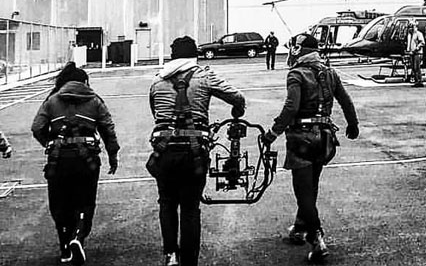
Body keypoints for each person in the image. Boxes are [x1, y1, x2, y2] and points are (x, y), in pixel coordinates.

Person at [148, 35, 246, 266]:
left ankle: (170, 254)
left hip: (164, 151)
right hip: (194, 152)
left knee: (167, 202)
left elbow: (155, 111)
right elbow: (236, 96)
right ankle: (189, 261)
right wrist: (238, 109)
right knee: (190, 208)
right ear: (195, 56)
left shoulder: (157, 81)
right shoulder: (204, 76)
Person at [262, 32, 359, 262]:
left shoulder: (297, 74)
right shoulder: (329, 72)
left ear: (299, 51)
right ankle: (299, 228)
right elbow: (345, 100)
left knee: (303, 192)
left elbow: (291, 106)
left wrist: (273, 132)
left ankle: (316, 238)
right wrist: (353, 123)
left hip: (301, 140)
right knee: (311, 186)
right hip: (325, 139)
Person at [31, 63, 119, 265]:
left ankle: (64, 249)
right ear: (84, 82)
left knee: (59, 204)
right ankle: (78, 237)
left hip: (58, 160)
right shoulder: (95, 100)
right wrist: (113, 155)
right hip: (86, 160)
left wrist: (49, 143)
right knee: (85, 201)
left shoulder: (52, 100)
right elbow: (108, 129)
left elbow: (37, 127)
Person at [405, 21, 425, 88]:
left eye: (411, 27)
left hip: (417, 53)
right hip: (412, 53)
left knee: (417, 68)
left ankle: (419, 81)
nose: (410, 28)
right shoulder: (410, 35)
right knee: (413, 68)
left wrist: (416, 48)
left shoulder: (418, 34)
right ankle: (417, 80)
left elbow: (422, 42)